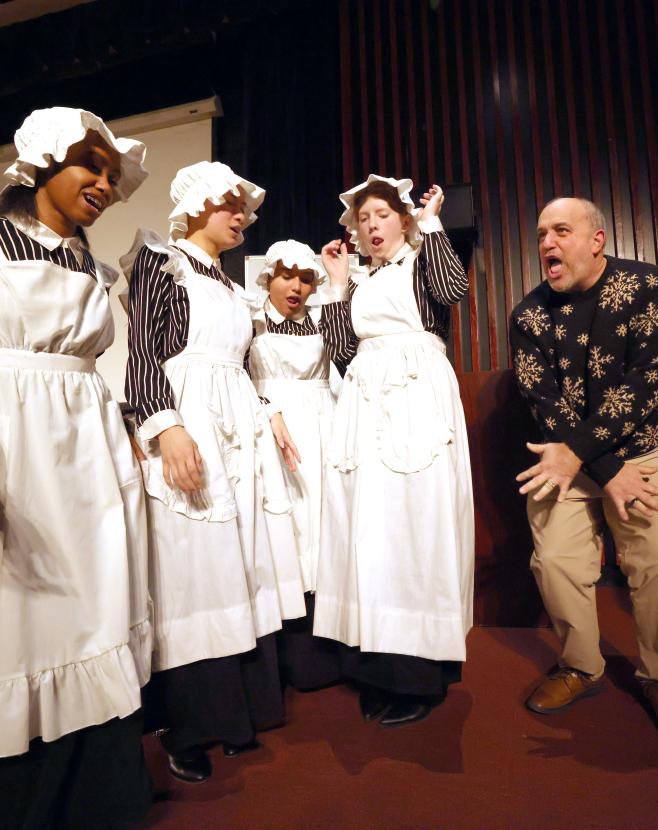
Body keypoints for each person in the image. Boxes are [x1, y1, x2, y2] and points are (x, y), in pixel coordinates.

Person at [123, 161, 304, 783]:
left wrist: (265, 411)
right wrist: (163, 425)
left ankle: (240, 711)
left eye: (245, 210)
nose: (241, 217)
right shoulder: (160, 261)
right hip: (190, 415)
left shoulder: (230, 286)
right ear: (197, 201)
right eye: (230, 204)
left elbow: (244, 365)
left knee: (239, 558)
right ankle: (188, 722)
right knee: (191, 563)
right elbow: (144, 351)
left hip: (238, 424)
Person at [0, 107, 154, 826]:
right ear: (41, 163)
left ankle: (98, 795)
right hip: (17, 439)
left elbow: (98, 364)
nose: (102, 180)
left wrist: (124, 431)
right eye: (88, 164)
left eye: (109, 172)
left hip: (87, 441)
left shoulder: (92, 260)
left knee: (97, 608)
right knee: (27, 615)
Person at [510, 197, 658, 746]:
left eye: (561, 231)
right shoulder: (528, 315)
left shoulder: (650, 286)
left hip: (648, 446)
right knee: (554, 560)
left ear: (596, 240)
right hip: (569, 456)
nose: (547, 242)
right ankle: (581, 666)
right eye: (542, 232)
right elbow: (543, 401)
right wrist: (603, 466)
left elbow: (651, 381)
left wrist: (602, 460)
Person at [315, 174, 474, 727]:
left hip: (415, 396)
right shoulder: (359, 281)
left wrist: (432, 224)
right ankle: (375, 664)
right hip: (363, 397)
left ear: (402, 220)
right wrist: (336, 284)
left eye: (382, 214)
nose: (371, 225)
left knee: (415, 527)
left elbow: (453, 290)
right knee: (369, 530)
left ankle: (419, 673)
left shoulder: (421, 258)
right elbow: (340, 352)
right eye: (363, 218)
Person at [247, 239, 340, 691]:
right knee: (281, 529)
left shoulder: (322, 321)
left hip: (321, 428)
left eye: (305, 278)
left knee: (320, 523)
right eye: (287, 276)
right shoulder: (249, 318)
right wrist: (266, 408)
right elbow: (235, 378)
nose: (296, 286)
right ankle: (284, 649)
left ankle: (323, 648)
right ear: (268, 277)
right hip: (269, 430)